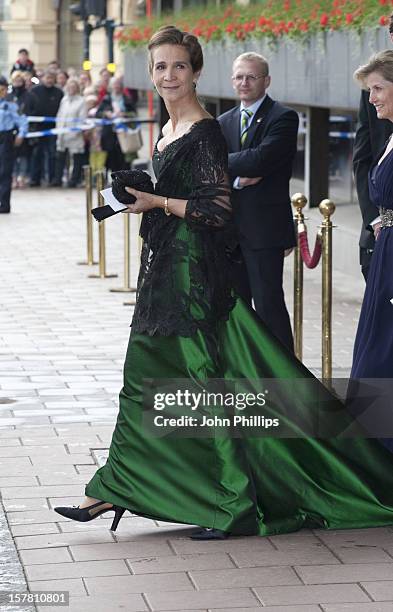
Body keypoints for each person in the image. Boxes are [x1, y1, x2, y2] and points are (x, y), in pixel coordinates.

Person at [55, 26, 393, 540]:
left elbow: (216, 210)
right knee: (148, 382)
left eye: (179, 66)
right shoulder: (167, 129)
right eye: (160, 67)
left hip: (194, 274)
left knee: (202, 387)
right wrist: (138, 191)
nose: (169, 76)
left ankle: (232, 501)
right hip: (163, 267)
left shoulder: (205, 129)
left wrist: (158, 202)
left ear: (195, 72)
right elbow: (179, 191)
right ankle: (118, 485)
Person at [218, 52, 298, 352]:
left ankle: (285, 382)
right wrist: (238, 177)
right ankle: (243, 375)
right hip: (228, 232)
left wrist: (227, 167)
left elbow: (262, 159)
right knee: (235, 309)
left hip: (264, 232)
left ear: (266, 80)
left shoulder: (284, 117)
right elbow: (210, 166)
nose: (244, 82)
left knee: (269, 307)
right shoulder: (223, 121)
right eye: (239, 76)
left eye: (251, 76)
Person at [351, 50, 393, 380]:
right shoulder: (390, 136)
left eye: (377, 89)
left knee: (380, 360)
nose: (372, 98)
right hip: (385, 254)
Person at [352, 13, 393, 281]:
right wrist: (377, 220)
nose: (373, 97)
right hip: (378, 236)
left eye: (377, 89)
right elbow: (362, 158)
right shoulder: (375, 78)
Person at [26, 70, 63, 186]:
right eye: (47, 78)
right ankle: (35, 179)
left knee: (52, 154)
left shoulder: (59, 92)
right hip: (38, 128)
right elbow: (30, 108)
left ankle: (52, 179)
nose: (49, 80)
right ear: (43, 78)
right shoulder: (34, 91)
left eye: (51, 78)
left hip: (53, 128)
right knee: (37, 154)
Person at [0, 76, 28, 213]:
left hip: (5, 138)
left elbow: (23, 120)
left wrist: (21, 134)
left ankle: (4, 205)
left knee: (5, 172)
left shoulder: (11, 104)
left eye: (3, 89)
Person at [51, 79, 86, 188]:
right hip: (62, 133)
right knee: (60, 157)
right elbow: (60, 115)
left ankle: (73, 180)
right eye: (69, 87)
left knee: (76, 158)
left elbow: (82, 118)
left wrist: (76, 131)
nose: (71, 89)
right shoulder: (64, 99)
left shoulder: (81, 101)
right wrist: (58, 129)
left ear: (77, 88)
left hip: (74, 134)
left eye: (73, 87)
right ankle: (58, 179)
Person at [7, 71, 32, 188]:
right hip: (8, 131)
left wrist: (22, 132)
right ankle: (13, 176)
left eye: (19, 81)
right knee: (10, 155)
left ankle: (22, 176)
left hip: (23, 131)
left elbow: (23, 116)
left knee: (23, 155)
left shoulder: (29, 95)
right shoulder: (8, 96)